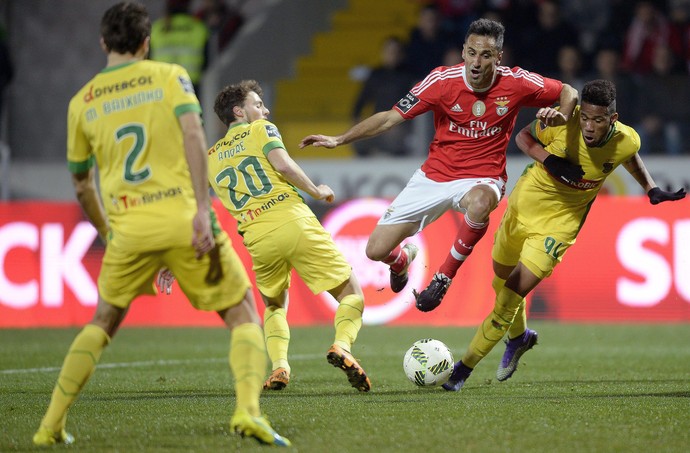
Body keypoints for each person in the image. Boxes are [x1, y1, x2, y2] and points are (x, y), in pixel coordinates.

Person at [32, 3, 290, 448]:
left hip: (129, 229)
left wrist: (110, 233)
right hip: (181, 219)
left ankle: (50, 425)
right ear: (146, 41)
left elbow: (81, 183)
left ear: (103, 43)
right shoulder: (171, 77)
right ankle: (248, 412)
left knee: (104, 320)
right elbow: (194, 136)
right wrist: (198, 207)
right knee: (243, 310)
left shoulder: (82, 102)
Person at [299, 18, 578, 312]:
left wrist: (564, 114)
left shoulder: (516, 82)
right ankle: (402, 260)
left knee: (482, 202)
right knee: (375, 249)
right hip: (434, 176)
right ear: (463, 52)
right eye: (471, 53)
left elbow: (568, 91)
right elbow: (389, 118)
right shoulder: (442, 81)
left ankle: (444, 277)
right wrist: (339, 139)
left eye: (485, 55)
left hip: (483, 177)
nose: (476, 62)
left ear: (498, 57)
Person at [442, 79, 686, 392]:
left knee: (509, 297)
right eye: (585, 117)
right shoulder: (562, 121)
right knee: (500, 281)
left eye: (598, 121)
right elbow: (524, 137)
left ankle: (462, 370)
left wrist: (650, 188)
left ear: (612, 119)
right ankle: (519, 338)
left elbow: (628, 155)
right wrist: (551, 161)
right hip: (520, 210)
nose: (588, 126)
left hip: (558, 227)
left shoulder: (627, 139)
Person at [208, 80, 371, 393]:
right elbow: (282, 164)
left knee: (273, 306)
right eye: (258, 104)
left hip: (256, 238)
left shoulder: (211, 155)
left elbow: (198, 208)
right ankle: (342, 346)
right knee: (352, 293)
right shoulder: (261, 129)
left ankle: (280, 367)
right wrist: (316, 189)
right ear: (239, 111)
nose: (265, 110)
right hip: (291, 219)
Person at [351, 36, 416, 157]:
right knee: (357, 136)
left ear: (401, 54)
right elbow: (361, 101)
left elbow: (415, 103)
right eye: (389, 51)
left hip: (400, 124)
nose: (392, 55)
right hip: (378, 121)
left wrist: (397, 120)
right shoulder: (375, 75)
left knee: (395, 137)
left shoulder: (408, 76)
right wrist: (357, 119)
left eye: (395, 52)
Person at [150, 0, 209, 96]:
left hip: (163, 85)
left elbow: (147, 59)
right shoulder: (199, 28)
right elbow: (207, 60)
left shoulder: (156, 28)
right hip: (190, 85)